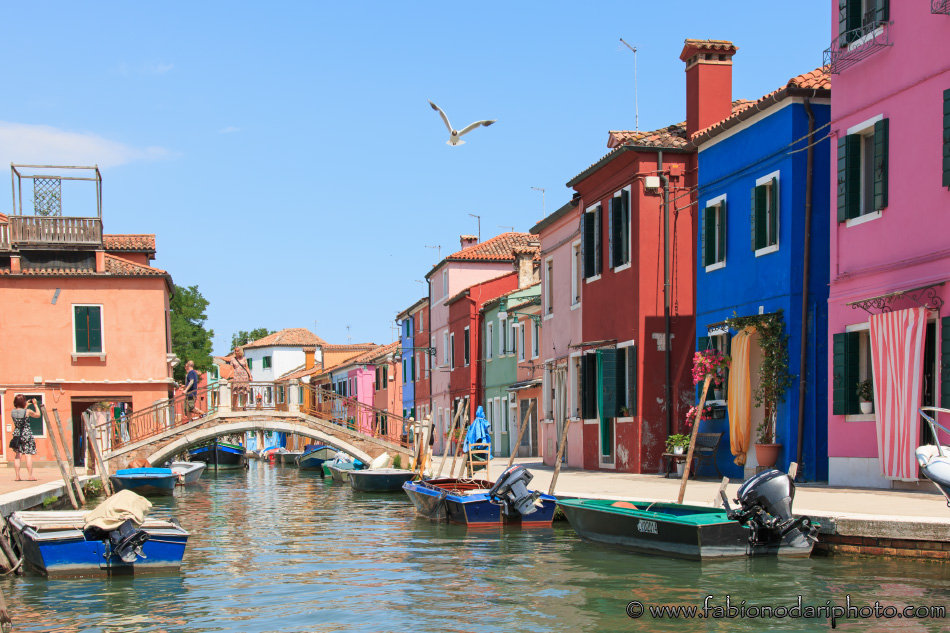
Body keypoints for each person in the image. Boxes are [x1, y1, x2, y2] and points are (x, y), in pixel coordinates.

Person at [10, 395, 40, 481]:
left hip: (17, 434)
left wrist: (24, 405)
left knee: (17, 456)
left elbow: (20, 412)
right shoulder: (27, 411)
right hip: (26, 434)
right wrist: (35, 405)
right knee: (28, 455)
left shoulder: (12, 412)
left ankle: (17, 476)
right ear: (23, 402)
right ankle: (30, 476)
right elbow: (38, 415)